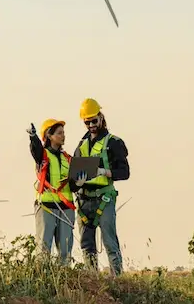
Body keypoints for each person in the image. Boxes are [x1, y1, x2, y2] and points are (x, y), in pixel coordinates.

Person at [72, 98, 130, 275]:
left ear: (101, 117)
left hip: (104, 198)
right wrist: (76, 182)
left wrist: (104, 172)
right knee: (86, 244)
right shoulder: (81, 145)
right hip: (84, 200)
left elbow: (125, 172)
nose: (91, 125)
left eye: (93, 121)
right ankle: (93, 280)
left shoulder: (113, 142)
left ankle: (117, 280)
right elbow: (73, 179)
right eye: (87, 122)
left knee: (109, 242)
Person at [27, 119, 87, 263]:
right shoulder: (43, 155)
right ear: (49, 135)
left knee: (65, 248)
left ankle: (64, 279)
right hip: (46, 206)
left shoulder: (68, 158)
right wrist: (33, 136)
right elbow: (36, 149)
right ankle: (42, 279)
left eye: (63, 133)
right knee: (44, 247)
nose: (63, 136)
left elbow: (73, 186)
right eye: (59, 133)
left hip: (66, 208)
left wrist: (79, 183)